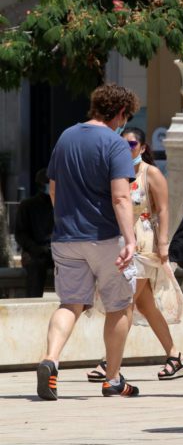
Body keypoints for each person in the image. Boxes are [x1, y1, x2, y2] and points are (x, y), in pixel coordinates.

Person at [37, 83, 140, 400]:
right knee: (120, 306)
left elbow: (53, 189)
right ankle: (112, 379)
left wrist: (66, 221)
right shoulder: (115, 144)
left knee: (70, 303)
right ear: (121, 113)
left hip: (66, 237)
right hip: (104, 237)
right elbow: (121, 197)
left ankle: (51, 360)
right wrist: (130, 241)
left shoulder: (66, 136)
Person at [86, 127, 183, 383]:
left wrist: (164, 243)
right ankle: (175, 356)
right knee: (143, 303)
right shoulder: (115, 172)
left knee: (126, 301)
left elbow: (164, 209)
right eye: (122, 145)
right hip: (119, 244)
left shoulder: (150, 173)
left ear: (142, 147)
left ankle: (110, 361)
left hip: (142, 245)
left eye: (131, 144)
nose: (126, 149)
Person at [15, 168, 54, 298]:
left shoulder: (61, 205)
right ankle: (32, 302)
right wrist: (35, 248)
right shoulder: (27, 205)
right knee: (36, 267)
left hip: (58, 251)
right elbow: (20, 234)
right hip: (35, 253)